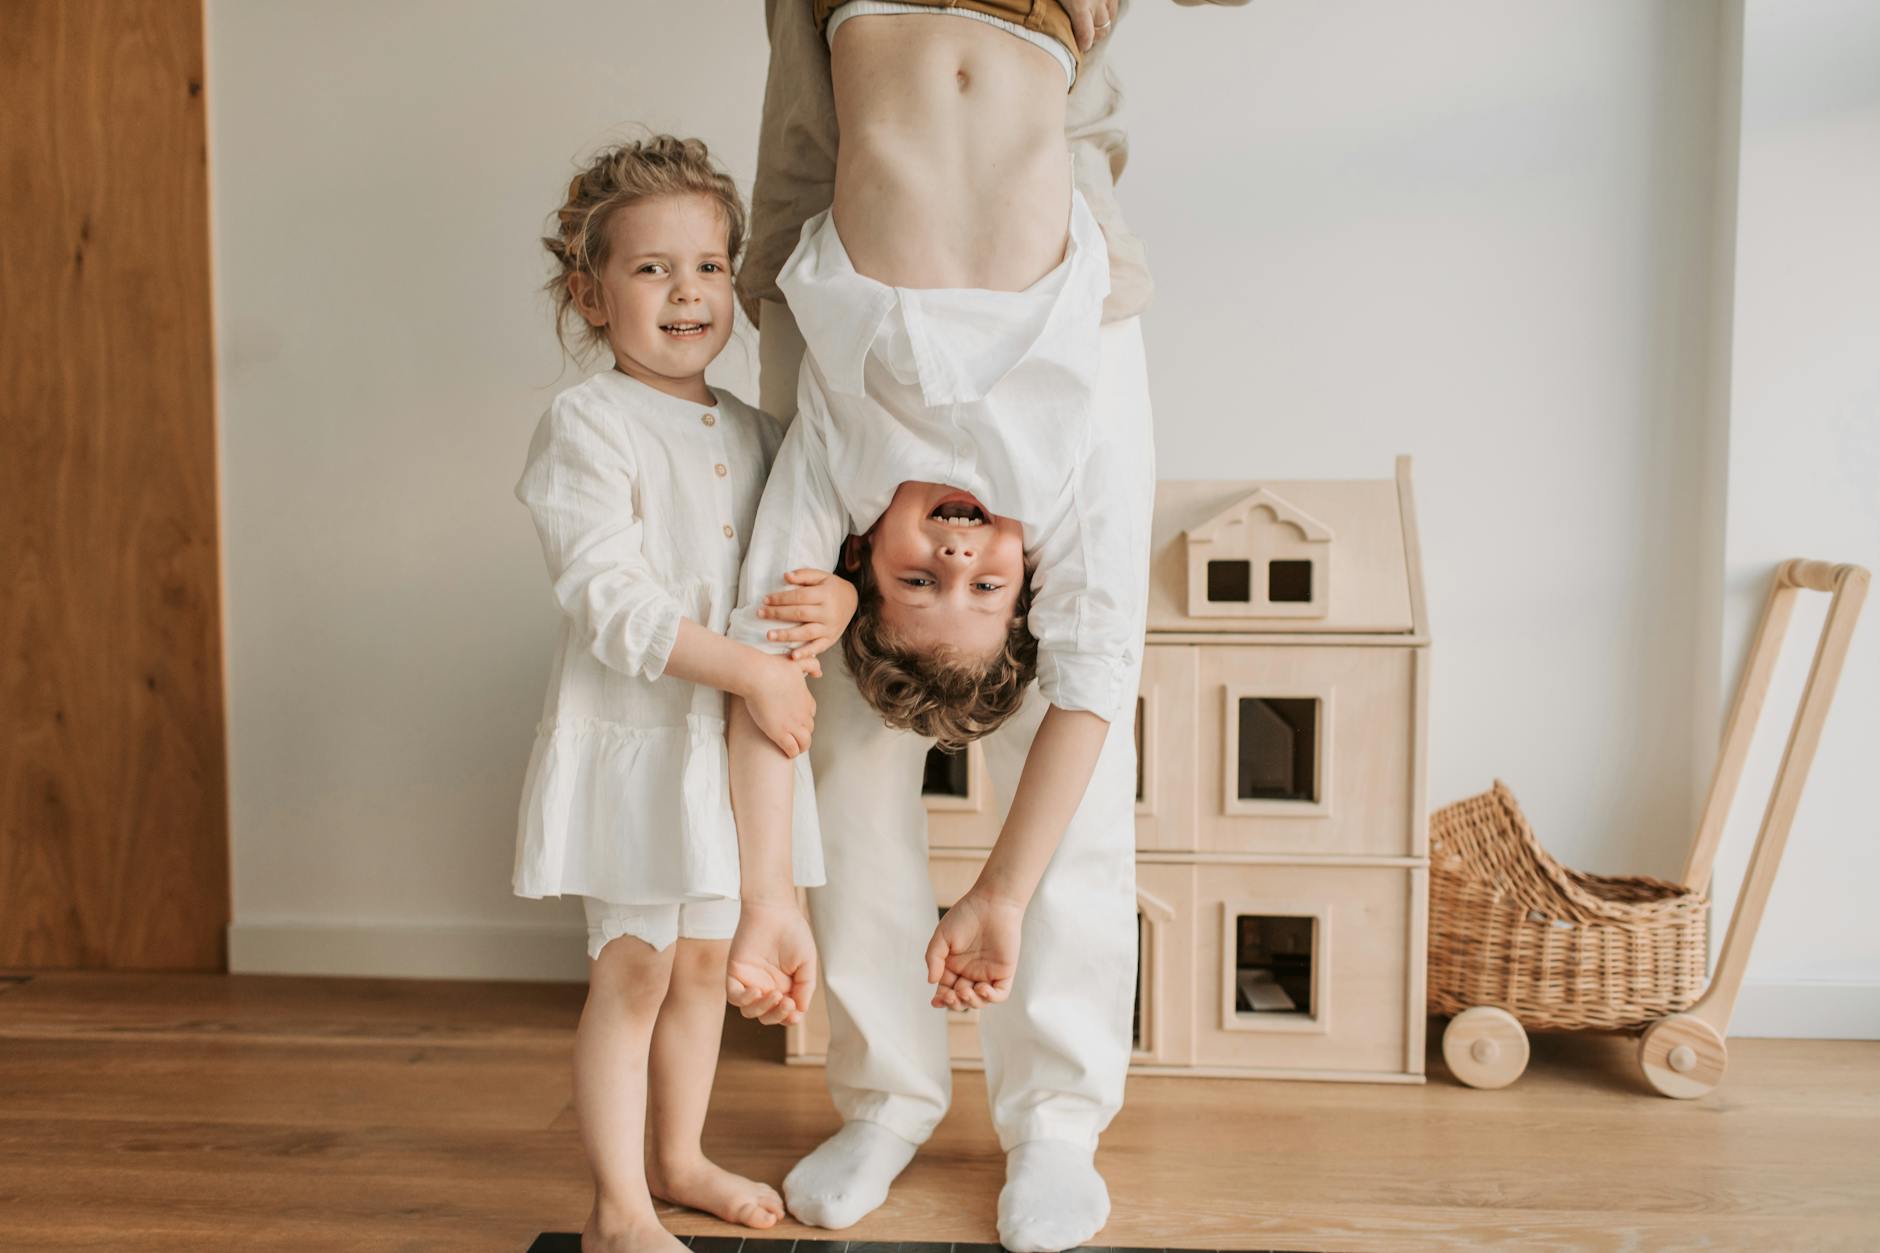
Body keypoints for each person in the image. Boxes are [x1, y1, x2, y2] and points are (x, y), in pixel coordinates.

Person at [713, 4, 1247, 1250]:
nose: (953, 558)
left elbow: (769, 663)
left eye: (918, 582)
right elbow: (1095, 661)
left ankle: (1052, 1119)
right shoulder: (1056, 486)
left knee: (854, 725)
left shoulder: (847, 483)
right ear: (1024, 576)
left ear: (863, 563)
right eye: (980, 587)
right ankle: (887, 1093)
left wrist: (761, 897)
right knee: (862, 767)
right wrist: (989, 894)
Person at [511, 135, 854, 1253]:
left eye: (707, 265)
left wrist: (838, 608)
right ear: (590, 290)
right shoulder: (588, 423)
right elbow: (607, 596)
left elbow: (810, 566)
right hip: (640, 744)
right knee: (637, 966)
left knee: (706, 961)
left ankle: (679, 1154)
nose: (685, 292)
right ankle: (617, 1207)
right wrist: (749, 669)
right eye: (652, 267)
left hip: (727, 764)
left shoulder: (760, 435)